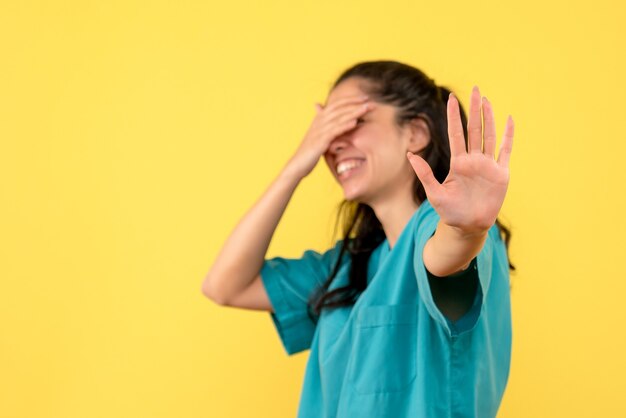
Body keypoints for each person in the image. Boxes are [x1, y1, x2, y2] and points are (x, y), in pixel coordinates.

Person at [202, 60, 515, 418]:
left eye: (352, 121)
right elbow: (224, 285)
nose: (332, 144)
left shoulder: (453, 230)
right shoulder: (349, 269)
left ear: (415, 133)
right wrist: (296, 165)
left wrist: (465, 230)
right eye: (325, 129)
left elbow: (445, 257)